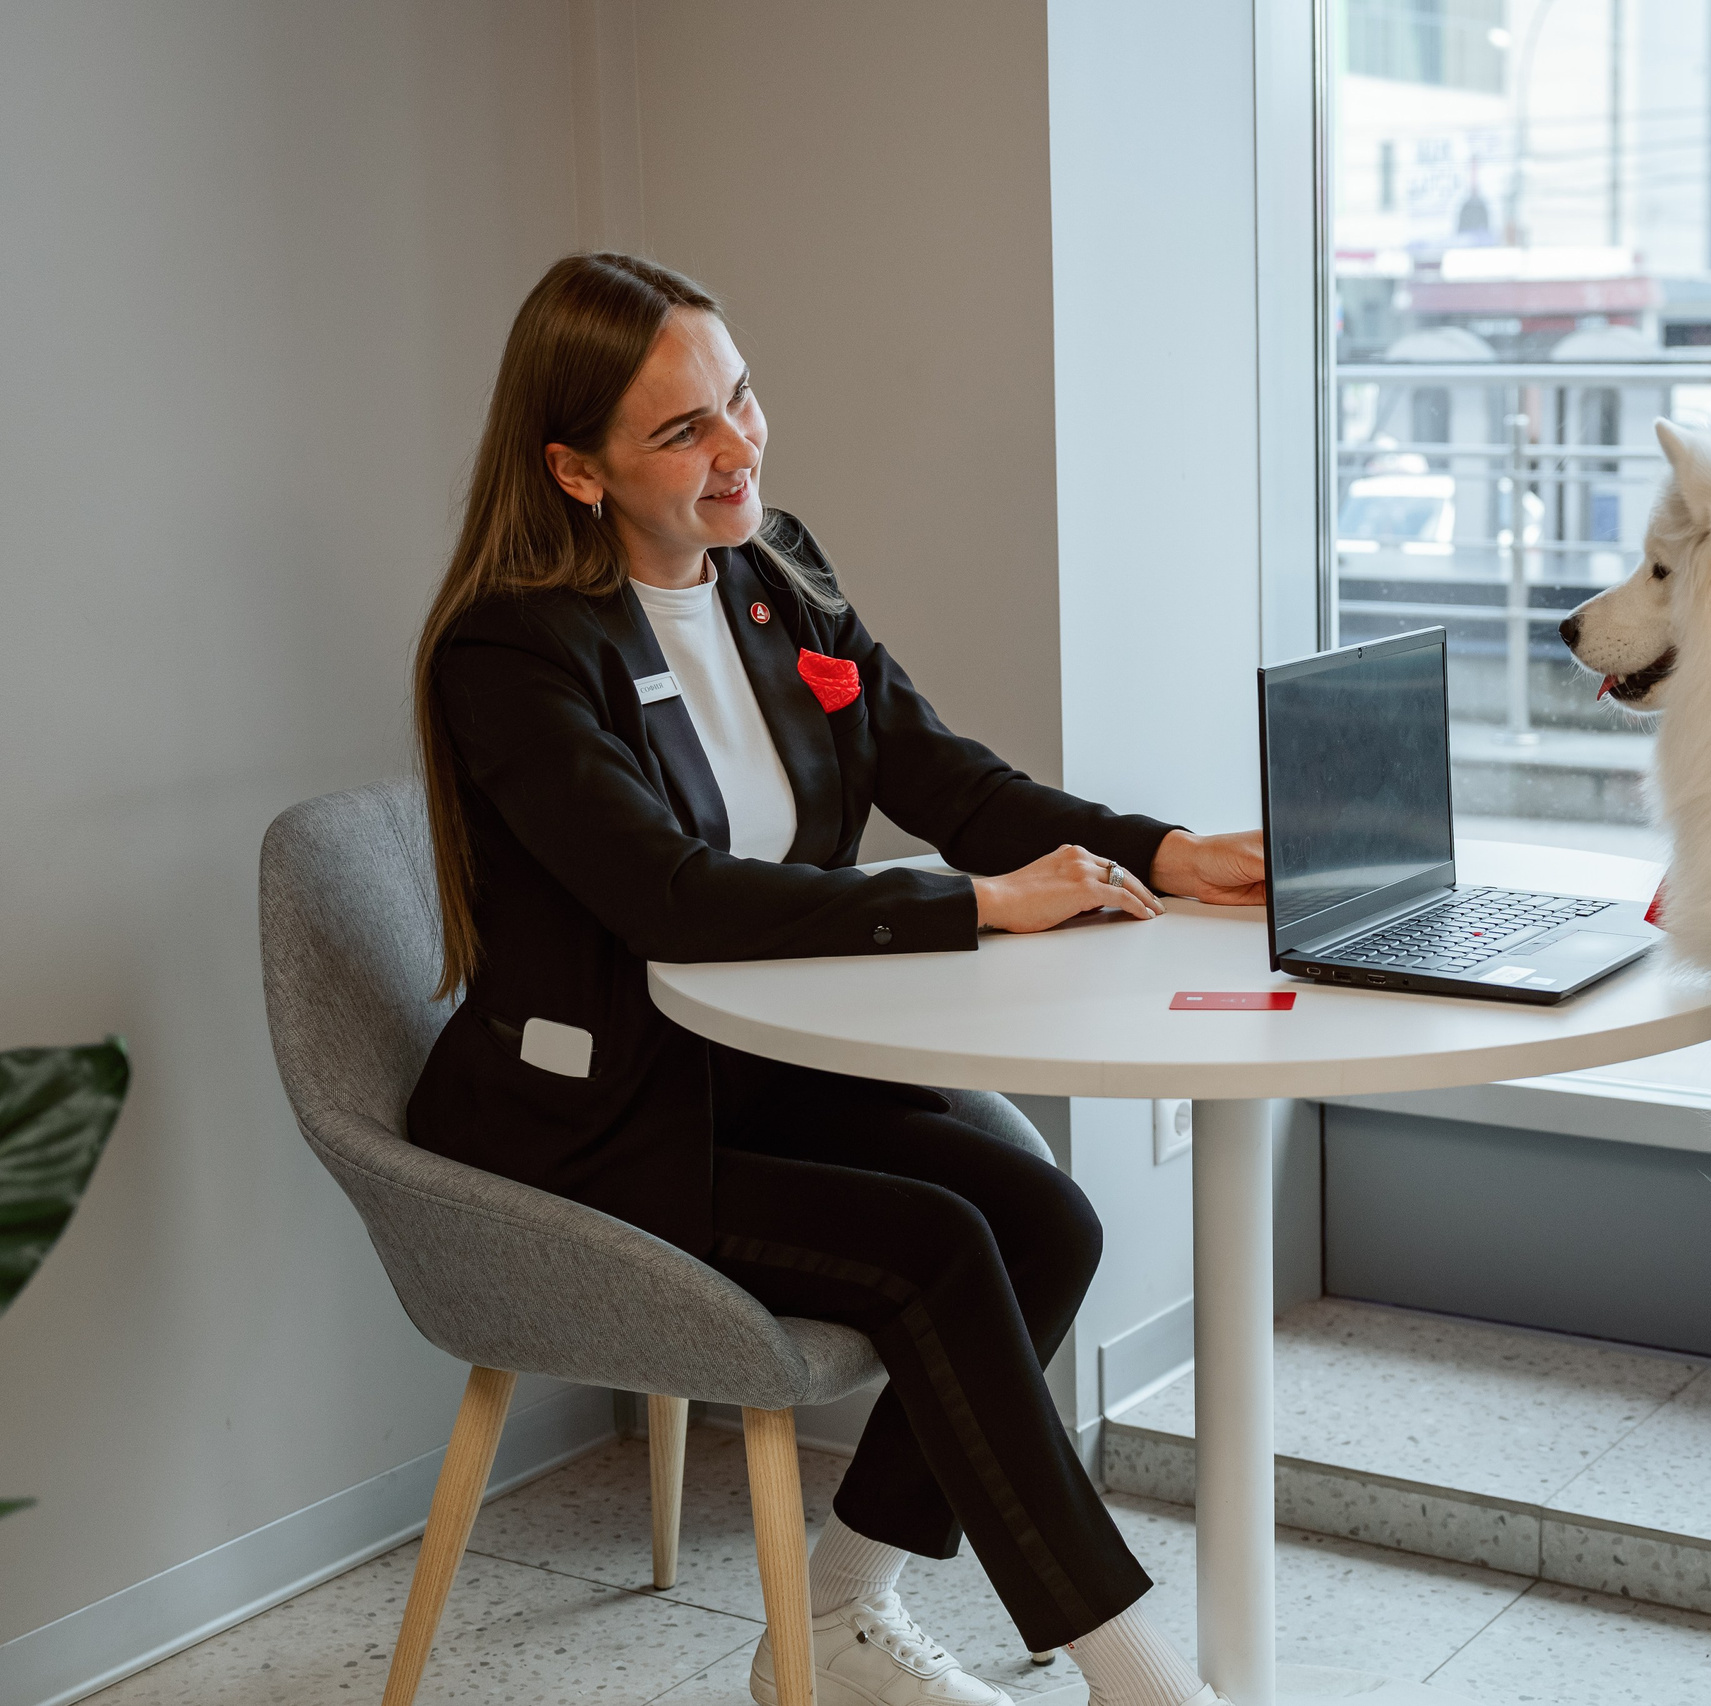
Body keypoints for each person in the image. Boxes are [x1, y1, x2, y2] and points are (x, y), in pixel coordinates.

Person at [406, 252, 1265, 1706]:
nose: (736, 448)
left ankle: (844, 1617)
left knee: (1044, 1216)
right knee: (937, 1246)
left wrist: (1165, 852)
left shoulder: (771, 572)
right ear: (574, 468)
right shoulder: (512, 653)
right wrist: (978, 908)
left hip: (756, 1075)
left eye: (739, 398)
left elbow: (937, 771)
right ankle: (1145, 1680)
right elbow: (669, 898)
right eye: (682, 432)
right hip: (597, 1120)